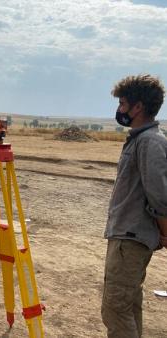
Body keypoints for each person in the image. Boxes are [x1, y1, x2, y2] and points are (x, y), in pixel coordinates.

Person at [101, 74, 167, 338]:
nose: (119, 109)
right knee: (128, 305)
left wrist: (164, 233)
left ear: (138, 107)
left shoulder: (150, 142)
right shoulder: (141, 139)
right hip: (126, 236)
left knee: (115, 308)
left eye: (123, 103)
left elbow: (160, 197)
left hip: (131, 239)